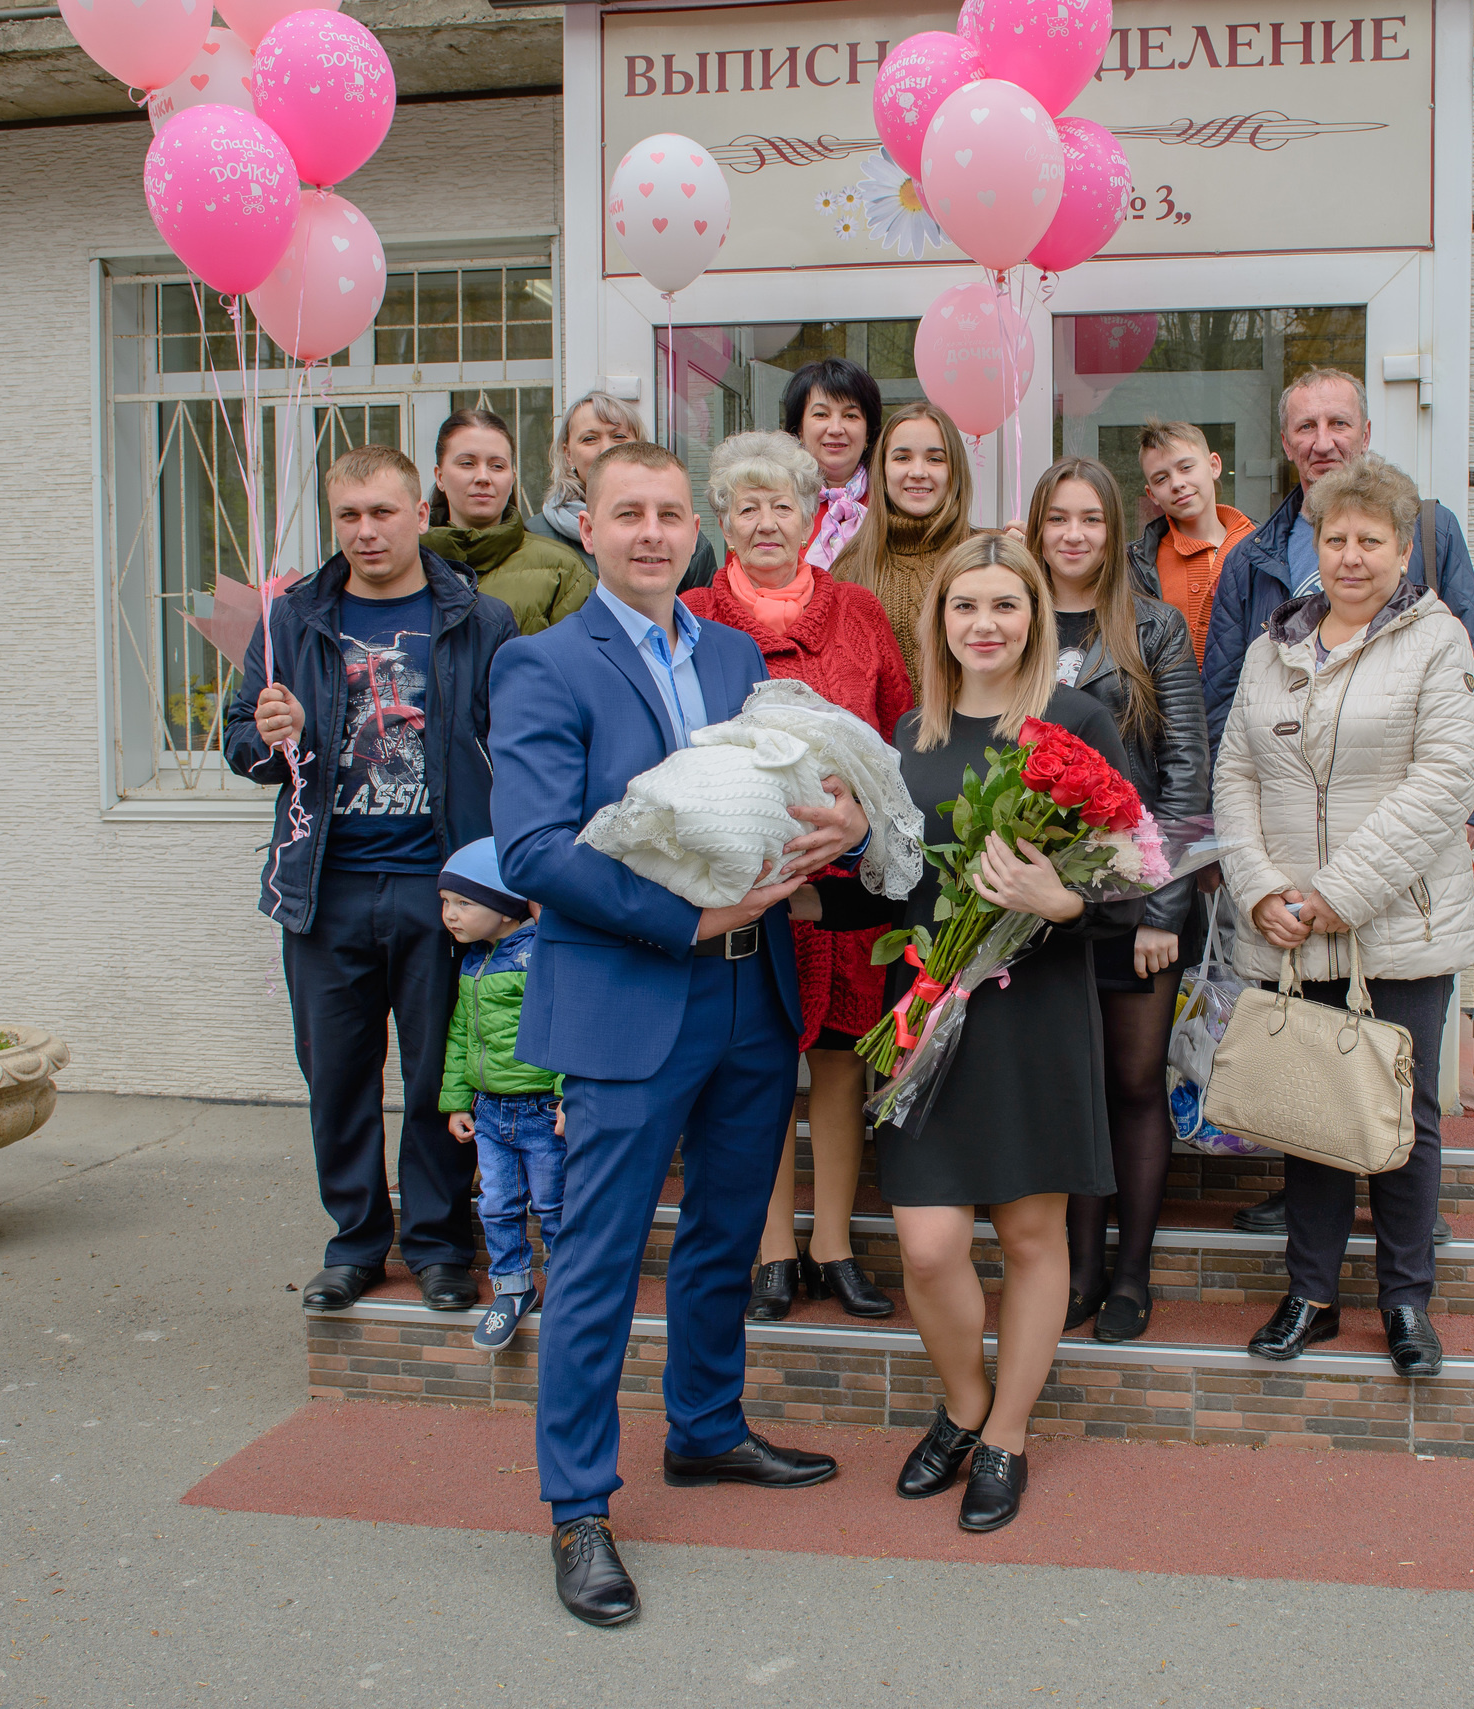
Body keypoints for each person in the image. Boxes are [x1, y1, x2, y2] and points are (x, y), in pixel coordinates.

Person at [490, 439, 872, 1628]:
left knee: (720, 1236)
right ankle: (577, 1507)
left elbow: (774, 788)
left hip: (750, 994)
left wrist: (838, 823)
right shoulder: (541, 663)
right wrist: (682, 912)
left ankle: (705, 1428)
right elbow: (534, 848)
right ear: (589, 528)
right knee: (601, 1260)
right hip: (626, 993)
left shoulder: (734, 651)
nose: (653, 533)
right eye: (628, 514)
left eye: (667, 514)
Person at [806, 533, 1145, 1534]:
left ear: (1035, 614)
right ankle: (960, 1402)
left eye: (1005, 605)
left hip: (1033, 1012)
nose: (984, 624)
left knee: (1033, 1235)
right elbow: (905, 883)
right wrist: (836, 875)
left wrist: (1061, 895)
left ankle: (1005, 1431)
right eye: (965, 607)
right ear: (939, 620)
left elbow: (1133, 877)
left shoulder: (1079, 719)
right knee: (927, 1242)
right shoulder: (911, 730)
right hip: (929, 1008)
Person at [1200, 369, 1474, 1238]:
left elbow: (1464, 701)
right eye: (1304, 425)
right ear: (1285, 441)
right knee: (1309, 1084)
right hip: (1289, 876)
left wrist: (1471, 810)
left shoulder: (1429, 542)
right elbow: (1232, 710)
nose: (1322, 437)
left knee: (1401, 1086)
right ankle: (1314, 1254)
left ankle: (1409, 1264)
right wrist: (1249, 869)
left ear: (1365, 429)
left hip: (1393, 880)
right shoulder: (1257, 554)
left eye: (1338, 421)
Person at [225, 444, 519, 1316]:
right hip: (324, 889)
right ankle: (354, 1243)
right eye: (348, 515)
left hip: (442, 886)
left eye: (382, 512)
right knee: (339, 1077)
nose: (365, 531)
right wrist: (267, 735)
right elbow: (242, 743)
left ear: (418, 513)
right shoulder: (291, 619)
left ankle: (436, 1247)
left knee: (438, 1076)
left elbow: (517, 744)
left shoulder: (480, 617)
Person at [679, 431, 914, 1323]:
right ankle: (773, 1248)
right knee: (759, 1067)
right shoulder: (694, 613)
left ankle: (833, 1243)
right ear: (724, 521)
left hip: (843, 884)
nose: (767, 520)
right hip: (740, 889)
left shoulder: (859, 612)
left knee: (842, 1064)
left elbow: (897, 738)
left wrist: (862, 820)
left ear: (816, 515)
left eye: (785, 503)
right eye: (749, 506)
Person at [1023, 458, 1206, 1344]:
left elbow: (1185, 776)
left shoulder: (1155, 628)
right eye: (1058, 518)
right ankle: (1080, 1271)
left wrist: (1164, 911)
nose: (1073, 535)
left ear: (1113, 528)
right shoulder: (1010, 621)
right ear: (1036, 526)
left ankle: (1130, 1274)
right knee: (1073, 1089)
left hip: (1135, 905)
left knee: (1132, 1085)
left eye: (1090, 518)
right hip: (1041, 903)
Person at [437, 837, 565, 1354]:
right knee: (497, 1206)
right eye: (446, 902)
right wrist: (455, 1101)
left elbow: (562, 1026)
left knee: (554, 1206)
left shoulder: (539, 956)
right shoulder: (474, 961)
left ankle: (566, 1289)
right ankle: (512, 1289)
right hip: (489, 1113)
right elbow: (461, 1034)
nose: (451, 914)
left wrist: (566, 1096)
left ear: (508, 907)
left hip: (539, 1110)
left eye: (465, 903)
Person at [528, 389, 720, 594]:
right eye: (589, 439)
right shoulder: (535, 536)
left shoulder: (686, 542)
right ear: (568, 454)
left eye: (619, 436)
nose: (606, 449)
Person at [423, 407, 595, 636]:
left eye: (497, 466)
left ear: (512, 477)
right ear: (440, 477)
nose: (483, 477)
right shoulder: (410, 564)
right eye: (467, 463)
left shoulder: (562, 570)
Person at [837, 401, 976, 680]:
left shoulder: (987, 555)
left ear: (954, 470)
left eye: (935, 459)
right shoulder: (848, 570)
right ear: (883, 469)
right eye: (902, 458)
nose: (918, 471)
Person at [1130, 420, 1255, 670]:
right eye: (1161, 478)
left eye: (1186, 467)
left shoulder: (1258, 547)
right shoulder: (1139, 565)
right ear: (1152, 493)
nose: (1177, 483)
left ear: (1214, 466)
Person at [782, 356, 885, 577]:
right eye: (821, 414)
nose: (836, 428)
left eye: (850, 415)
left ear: (868, 432)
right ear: (799, 429)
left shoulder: (890, 501)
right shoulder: (776, 502)